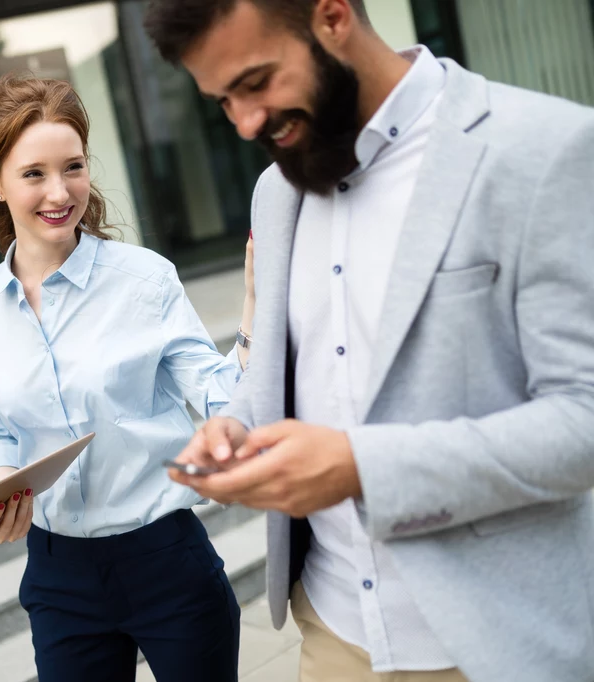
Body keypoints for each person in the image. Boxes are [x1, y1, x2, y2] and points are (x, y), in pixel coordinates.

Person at [142, 1, 594, 682]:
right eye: (223, 102)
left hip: (498, 643)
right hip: (330, 633)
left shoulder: (545, 148)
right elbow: (286, 364)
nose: (245, 123)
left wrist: (360, 466)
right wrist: (236, 425)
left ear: (331, 16)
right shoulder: (275, 191)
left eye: (257, 82)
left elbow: (583, 419)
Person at [0, 73, 256, 682]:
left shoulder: (147, 280)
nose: (60, 192)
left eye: (74, 167)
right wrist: (0, 477)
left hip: (167, 558)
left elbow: (221, 397)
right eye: (33, 173)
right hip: (61, 575)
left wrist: (254, 313)